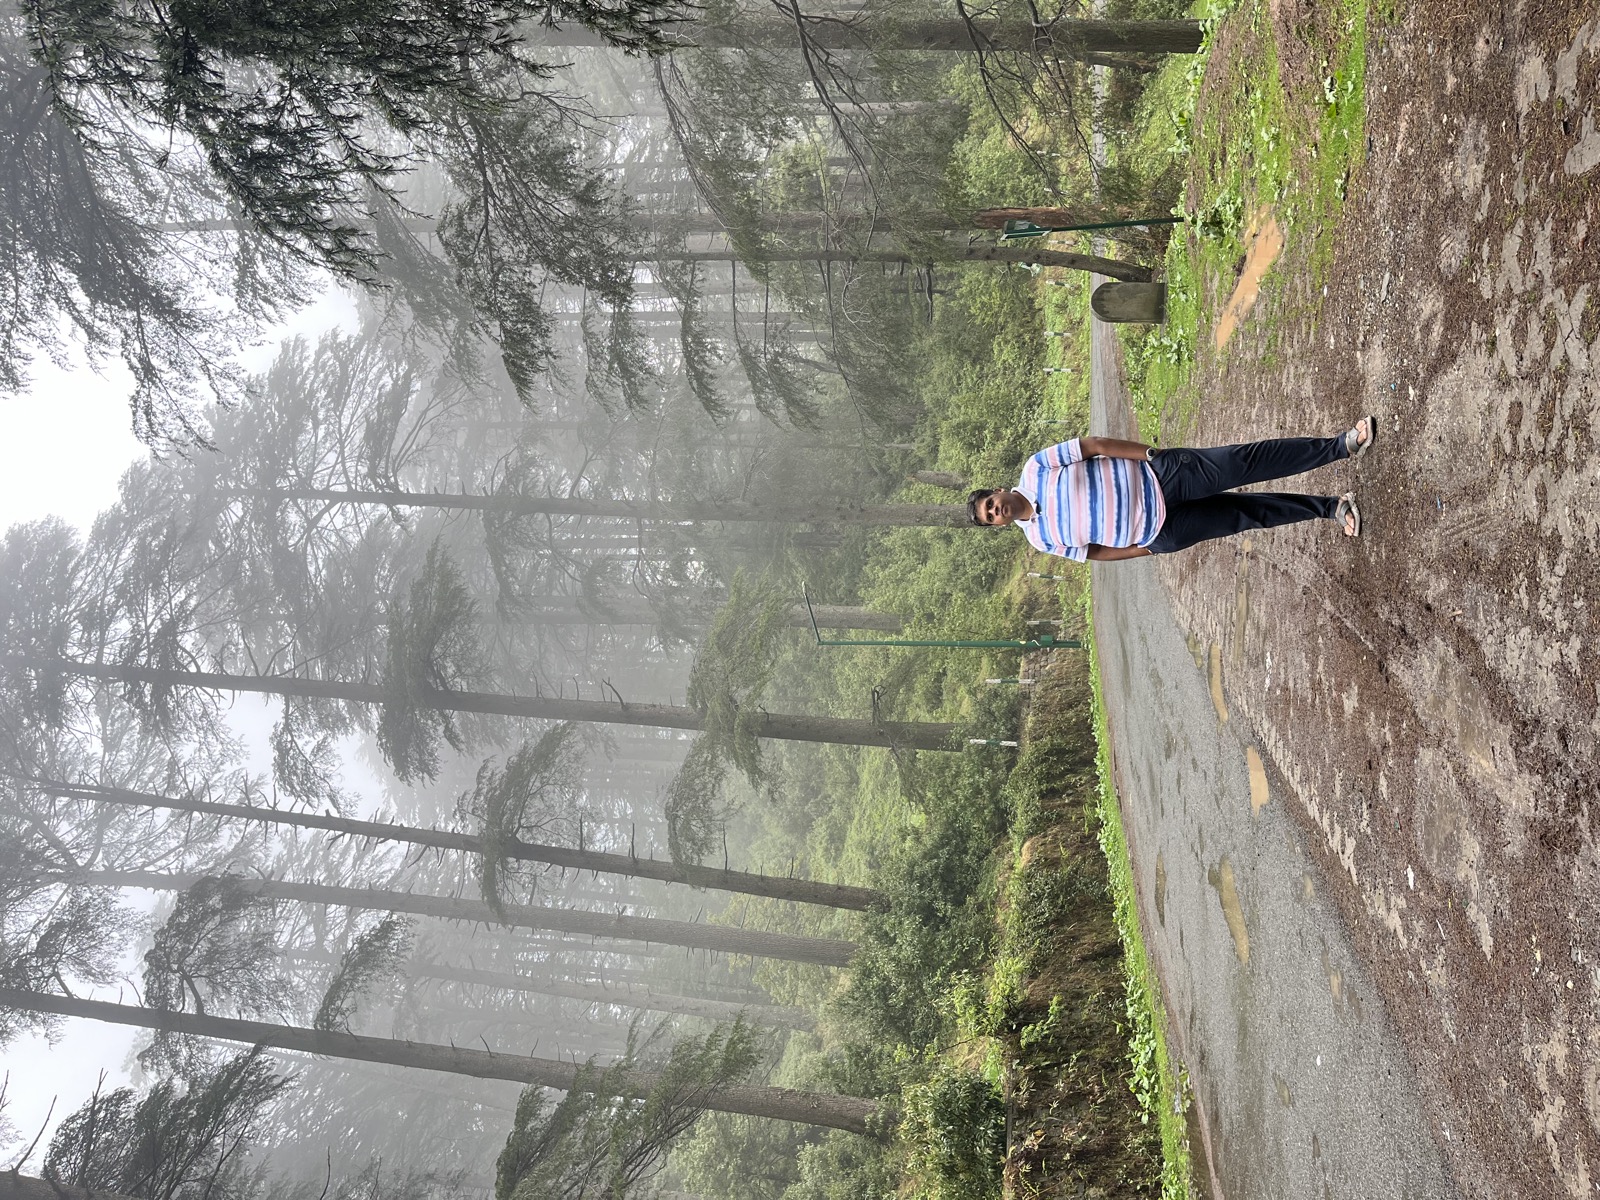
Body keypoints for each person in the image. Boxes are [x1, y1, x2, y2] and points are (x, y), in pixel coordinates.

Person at [966, 418, 1374, 560]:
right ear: (996, 525)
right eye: (990, 517)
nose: (995, 511)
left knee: (1244, 462)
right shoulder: (1039, 540)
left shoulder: (1036, 468)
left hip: (1161, 476)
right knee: (1247, 515)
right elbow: (1094, 553)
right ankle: (1330, 508)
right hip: (1162, 531)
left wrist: (1150, 454)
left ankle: (1341, 446)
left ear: (997, 491)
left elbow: (1093, 446)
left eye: (991, 504)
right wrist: (1146, 549)